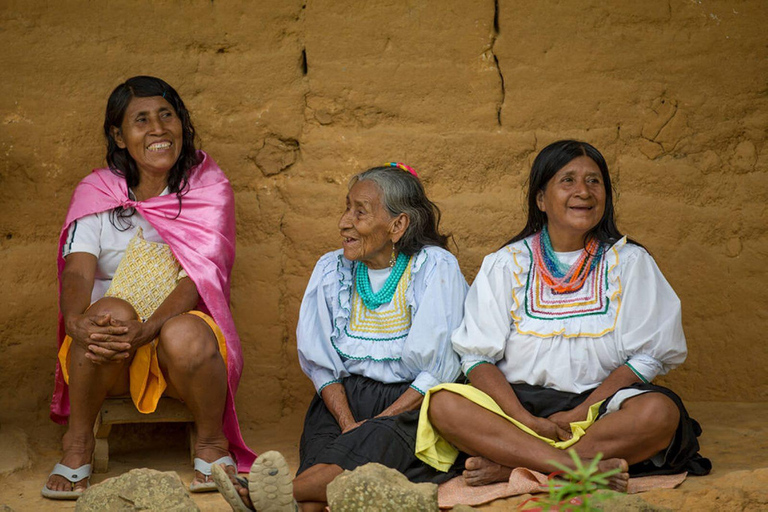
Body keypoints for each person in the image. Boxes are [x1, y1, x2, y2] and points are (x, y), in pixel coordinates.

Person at [418, 140, 711, 493]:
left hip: (602, 407)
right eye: (568, 181)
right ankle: (573, 468)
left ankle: (512, 465)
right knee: (444, 405)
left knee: (659, 413)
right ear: (541, 199)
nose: (583, 192)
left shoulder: (630, 263)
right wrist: (524, 419)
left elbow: (647, 357)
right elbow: (477, 357)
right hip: (517, 408)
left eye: (594, 181)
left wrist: (580, 412)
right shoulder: (506, 263)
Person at [43, 76, 256, 500]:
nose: (158, 128)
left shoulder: (207, 189)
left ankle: (212, 445)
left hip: (178, 356)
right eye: (141, 120)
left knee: (184, 332)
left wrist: (153, 326)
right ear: (119, 137)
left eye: (166, 115)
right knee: (108, 314)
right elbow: (78, 270)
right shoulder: (97, 191)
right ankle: (79, 442)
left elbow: (199, 276)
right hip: (110, 354)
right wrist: (75, 320)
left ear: (181, 124)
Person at [213, 163, 469, 511]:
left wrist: (373, 425)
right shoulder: (331, 269)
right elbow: (322, 367)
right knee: (317, 487)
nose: (344, 222)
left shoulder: (435, 267)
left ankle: (266, 496)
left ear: (398, 225)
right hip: (341, 401)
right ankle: (278, 498)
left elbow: (438, 371)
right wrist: (349, 422)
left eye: (359, 212)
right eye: (347, 208)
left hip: (412, 405)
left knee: (344, 467)